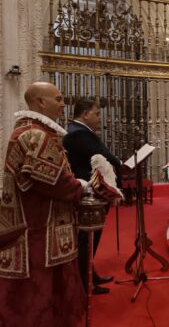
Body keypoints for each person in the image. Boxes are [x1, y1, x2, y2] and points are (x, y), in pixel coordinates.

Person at [0, 82, 86, 327]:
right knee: (38, 287)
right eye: (57, 99)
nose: (62, 104)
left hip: (33, 218)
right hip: (38, 225)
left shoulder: (28, 130)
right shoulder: (36, 134)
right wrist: (81, 186)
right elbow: (52, 182)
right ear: (40, 102)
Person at [63, 97, 121, 295]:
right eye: (96, 114)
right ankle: (85, 281)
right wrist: (121, 165)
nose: (98, 118)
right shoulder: (80, 134)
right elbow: (103, 156)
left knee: (91, 238)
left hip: (91, 192)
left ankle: (90, 274)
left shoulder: (77, 131)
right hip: (90, 193)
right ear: (85, 114)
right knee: (88, 238)